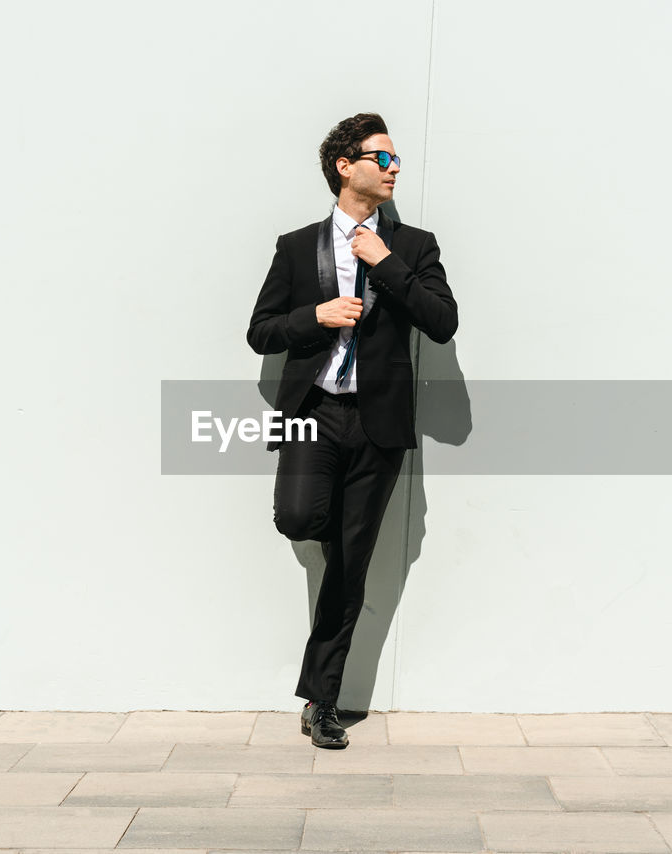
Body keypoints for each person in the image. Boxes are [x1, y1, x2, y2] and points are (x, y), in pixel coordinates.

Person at [246, 113, 458, 748]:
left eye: (396, 161)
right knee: (297, 518)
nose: (395, 169)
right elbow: (262, 330)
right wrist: (316, 315)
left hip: (379, 425)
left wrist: (385, 263)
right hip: (314, 414)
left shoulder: (414, 246)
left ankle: (323, 701)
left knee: (352, 565)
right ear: (346, 166)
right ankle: (335, 540)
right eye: (383, 158)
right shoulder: (295, 246)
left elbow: (442, 322)